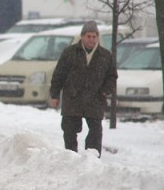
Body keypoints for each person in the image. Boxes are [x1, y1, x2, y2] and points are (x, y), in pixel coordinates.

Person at [49, 20, 117, 157]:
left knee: (95, 131)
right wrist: (54, 95)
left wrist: (105, 90)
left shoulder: (105, 55)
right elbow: (59, 75)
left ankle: (92, 158)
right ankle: (70, 156)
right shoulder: (70, 52)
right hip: (73, 98)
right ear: (82, 36)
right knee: (69, 130)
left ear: (98, 37)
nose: (91, 39)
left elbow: (112, 76)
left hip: (95, 99)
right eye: (88, 36)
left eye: (94, 36)